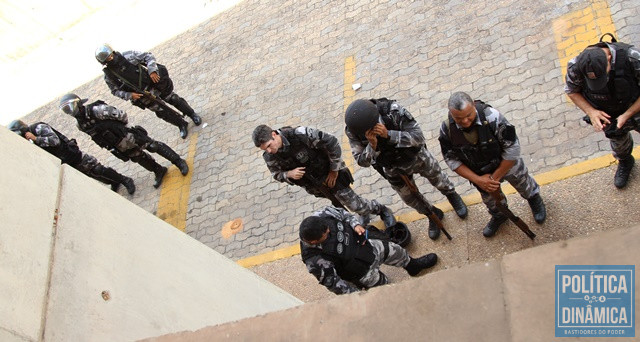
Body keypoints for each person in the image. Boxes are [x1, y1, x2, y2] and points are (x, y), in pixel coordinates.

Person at [345, 98, 468, 240]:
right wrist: (372, 146)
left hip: (415, 157)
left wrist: (389, 135)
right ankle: (432, 213)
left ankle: (452, 195)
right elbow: (362, 161)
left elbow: (418, 137)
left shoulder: (393, 111)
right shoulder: (354, 130)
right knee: (409, 198)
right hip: (391, 167)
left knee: (438, 178)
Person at [438, 92, 546, 237]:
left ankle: (534, 199)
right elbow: (451, 160)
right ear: (451, 114)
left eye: (469, 115)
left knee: (524, 183)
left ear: (474, 107)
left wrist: (494, 179)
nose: (465, 121)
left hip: (506, 164)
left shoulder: (492, 116)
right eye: (459, 118)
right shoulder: (447, 129)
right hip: (480, 174)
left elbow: (513, 149)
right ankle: (500, 215)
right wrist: (479, 180)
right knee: (492, 202)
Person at [252, 124, 396, 228]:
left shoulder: (300, 134)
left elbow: (332, 142)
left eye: (270, 146)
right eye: (265, 149)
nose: (270, 151)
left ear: (274, 134)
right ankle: (363, 214)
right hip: (317, 186)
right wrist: (288, 174)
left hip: (332, 175)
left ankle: (381, 210)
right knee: (340, 206)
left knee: (354, 204)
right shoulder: (270, 156)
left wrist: (334, 171)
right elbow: (276, 174)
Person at [59, 93, 189, 189]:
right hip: (116, 144)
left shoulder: (96, 110)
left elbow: (122, 115)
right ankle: (158, 170)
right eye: (66, 110)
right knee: (138, 157)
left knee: (152, 146)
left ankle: (178, 161)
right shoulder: (81, 125)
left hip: (126, 135)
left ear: (78, 103)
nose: (69, 111)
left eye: (69, 107)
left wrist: (122, 130)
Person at [299, 206, 438, 295]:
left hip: (368, 246)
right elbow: (336, 285)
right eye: (325, 234)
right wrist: (359, 296)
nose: (329, 231)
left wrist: (355, 225)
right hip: (363, 274)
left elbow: (342, 213)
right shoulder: (314, 260)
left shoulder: (321, 216)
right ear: (313, 241)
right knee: (387, 290)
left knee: (397, 251)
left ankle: (413, 267)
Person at [564, 34, 640, 188]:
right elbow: (572, 91)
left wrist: (627, 115)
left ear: (609, 56)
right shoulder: (577, 65)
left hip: (635, 108)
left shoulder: (631, 58)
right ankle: (625, 161)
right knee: (619, 145)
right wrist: (591, 112)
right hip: (609, 114)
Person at [95, 44, 202, 139]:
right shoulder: (109, 75)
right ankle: (181, 124)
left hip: (152, 83)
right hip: (142, 95)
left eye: (111, 56)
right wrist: (129, 95)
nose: (111, 59)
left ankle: (192, 114)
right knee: (162, 112)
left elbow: (148, 56)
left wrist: (152, 70)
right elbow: (115, 91)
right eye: (107, 59)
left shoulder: (127, 56)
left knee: (173, 99)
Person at [8, 120, 136, 195]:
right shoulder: (30, 141)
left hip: (71, 153)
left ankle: (125, 179)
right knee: (90, 175)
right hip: (64, 161)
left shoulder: (38, 128)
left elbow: (54, 141)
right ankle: (113, 181)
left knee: (96, 169)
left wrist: (36, 139)